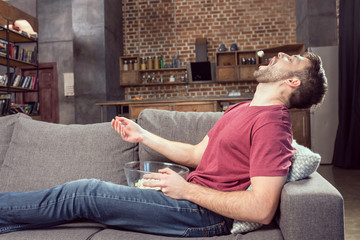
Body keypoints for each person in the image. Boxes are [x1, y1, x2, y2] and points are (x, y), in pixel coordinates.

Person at [0, 52, 327, 237]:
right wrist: (144, 136)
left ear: (292, 81)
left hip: (201, 214)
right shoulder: (243, 109)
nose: (280, 55)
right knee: (80, 197)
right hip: (190, 201)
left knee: (82, 193)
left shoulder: (273, 124)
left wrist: (186, 190)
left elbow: (261, 208)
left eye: (292, 59)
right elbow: (198, 154)